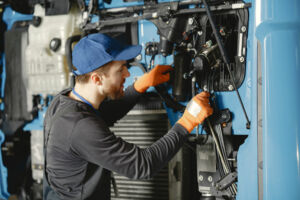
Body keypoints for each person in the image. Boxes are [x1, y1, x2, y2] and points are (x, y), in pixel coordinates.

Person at [43, 33, 213, 200]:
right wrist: (188, 121)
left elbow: (105, 113)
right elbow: (143, 165)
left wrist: (141, 85)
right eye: (120, 70)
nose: (127, 74)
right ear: (96, 79)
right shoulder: (80, 126)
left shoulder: (64, 101)